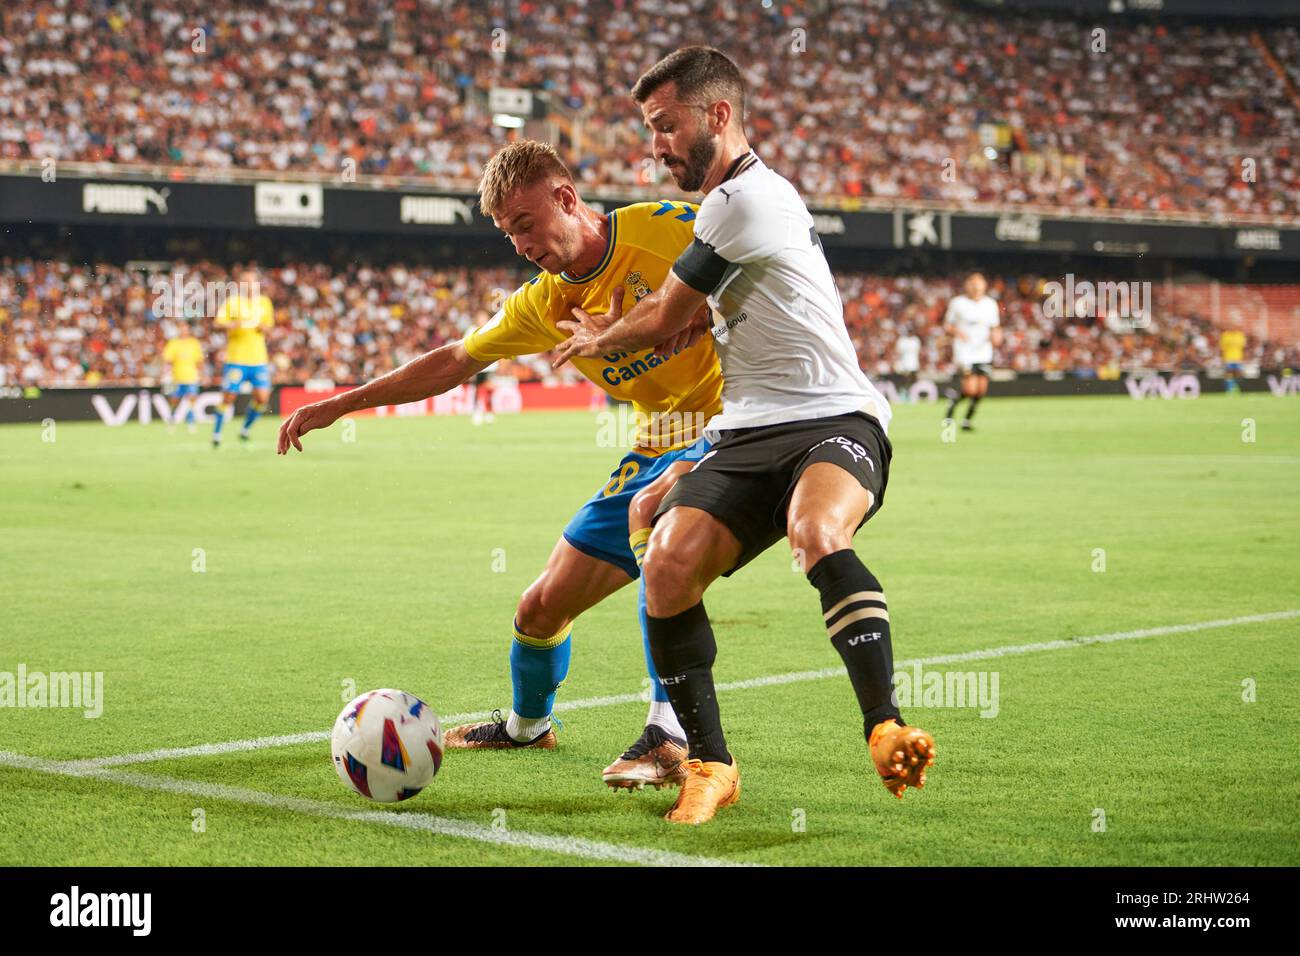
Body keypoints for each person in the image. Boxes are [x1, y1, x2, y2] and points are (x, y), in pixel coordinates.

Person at [554, 47, 934, 825]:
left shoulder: (744, 199)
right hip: (748, 429)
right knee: (664, 565)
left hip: (833, 415)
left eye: (666, 127)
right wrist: (637, 332)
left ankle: (884, 724)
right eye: (650, 130)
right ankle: (710, 764)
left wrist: (601, 339)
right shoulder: (736, 205)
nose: (656, 145)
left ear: (717, 116)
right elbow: (691, 316)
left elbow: (663, 315)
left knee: (815, 531)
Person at [278, 140, 720, 790]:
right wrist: (345, 403)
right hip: (656, 444)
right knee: (539, 609)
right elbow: (456, 359)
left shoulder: (664, 230)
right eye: (506, 232)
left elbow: (758, 275)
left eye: (524, 224)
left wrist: (696, 316)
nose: (517, 243)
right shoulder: (542, 304)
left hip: (729, 426)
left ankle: (669, 735)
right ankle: (526, 727)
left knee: (656, 538)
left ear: (565, 199)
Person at [213, 269, 275, 447]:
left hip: (259, 360)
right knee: (228, 398)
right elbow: (217, 324)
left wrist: (265, 328)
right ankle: (217, 434)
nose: (249, 285)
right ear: (240, 284)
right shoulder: (232, 303)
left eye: (252, 282)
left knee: (262, 399)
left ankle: (245, 429)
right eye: (246, 282)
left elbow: (270, 327)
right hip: (237, 359)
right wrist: (230, 324)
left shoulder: (264, 303)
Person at [941, 272, 1002, 431]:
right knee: (970, 389)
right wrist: (958, 333)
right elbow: (947, 325)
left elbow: (995, 326)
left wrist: (997, 336)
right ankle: (951, 407)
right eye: (972, 284)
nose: (975, 287)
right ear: (967, 285)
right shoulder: (958, 303)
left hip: (984, 351)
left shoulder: (990, 304)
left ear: (984, 286)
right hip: (965, 352)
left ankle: (966, 421)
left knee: (981, 390)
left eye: (978, 284)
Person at [162, 317, 204, 433]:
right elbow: (167, 360)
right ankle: (171, 421)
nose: (183, 330)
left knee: (191, 399)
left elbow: (199, 361)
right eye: (181, 328)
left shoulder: (194, 343)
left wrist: (201, 374)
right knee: (174, 400)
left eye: (185, 328)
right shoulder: (173, 343)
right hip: (176, 377)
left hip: (191, 377)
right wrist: (166, 374)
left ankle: (191, 423)